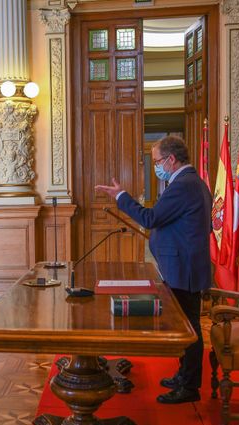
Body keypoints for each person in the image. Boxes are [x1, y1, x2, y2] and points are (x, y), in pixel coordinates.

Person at [95, 135, 211, 404]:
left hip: (184, 268)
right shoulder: (190, 182)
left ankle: (190, 386)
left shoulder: (184, 185)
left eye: (157, 161)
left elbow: (151, 218)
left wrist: (121, 197)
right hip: (183, 265)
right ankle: (184, 375)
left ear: (171, 160)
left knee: (189, 329)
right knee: (186, 325)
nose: (156, 166)